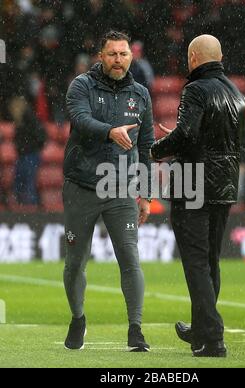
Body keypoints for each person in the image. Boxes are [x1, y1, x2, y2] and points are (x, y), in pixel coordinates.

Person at [151, 35, 245, 357]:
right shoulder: (236, 94)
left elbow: (189, 134)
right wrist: (179, 137)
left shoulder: (195, 90)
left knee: (195, 263)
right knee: (209, 262)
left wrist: (157, 149)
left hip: (194, 184)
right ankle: (201, 329)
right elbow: (219, 139)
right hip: (224, 186)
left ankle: (211, 337)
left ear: (193, 57)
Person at [63, 31, 154, 352]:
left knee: (130, 258)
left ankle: (136, 330)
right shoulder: (81, 86)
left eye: (124, 54)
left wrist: (146, 193)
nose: (118, 60)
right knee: (75, 262)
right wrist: (110, 132)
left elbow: (146, 147)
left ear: (132, 57)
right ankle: (78, 318)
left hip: (122, 189)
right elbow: (81, 119)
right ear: (100, 56)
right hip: (81, 185)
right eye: (112, 54)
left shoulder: (141, 94)